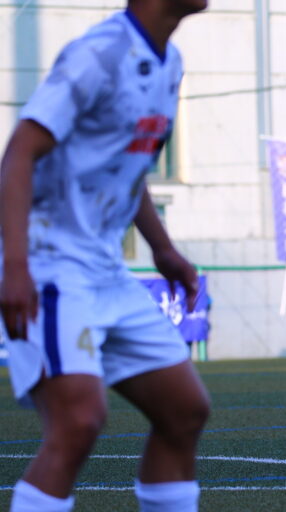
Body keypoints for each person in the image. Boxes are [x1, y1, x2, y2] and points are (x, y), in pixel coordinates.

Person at [0, 2, 210, 511]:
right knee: (78, 421)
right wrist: (15, 266)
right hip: (50, 266)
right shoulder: (98, 54)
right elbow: (19, 152)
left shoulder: (170, 62)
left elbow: (126, 166)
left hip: (106, 272)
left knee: (184, 411)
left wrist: (163, 248)